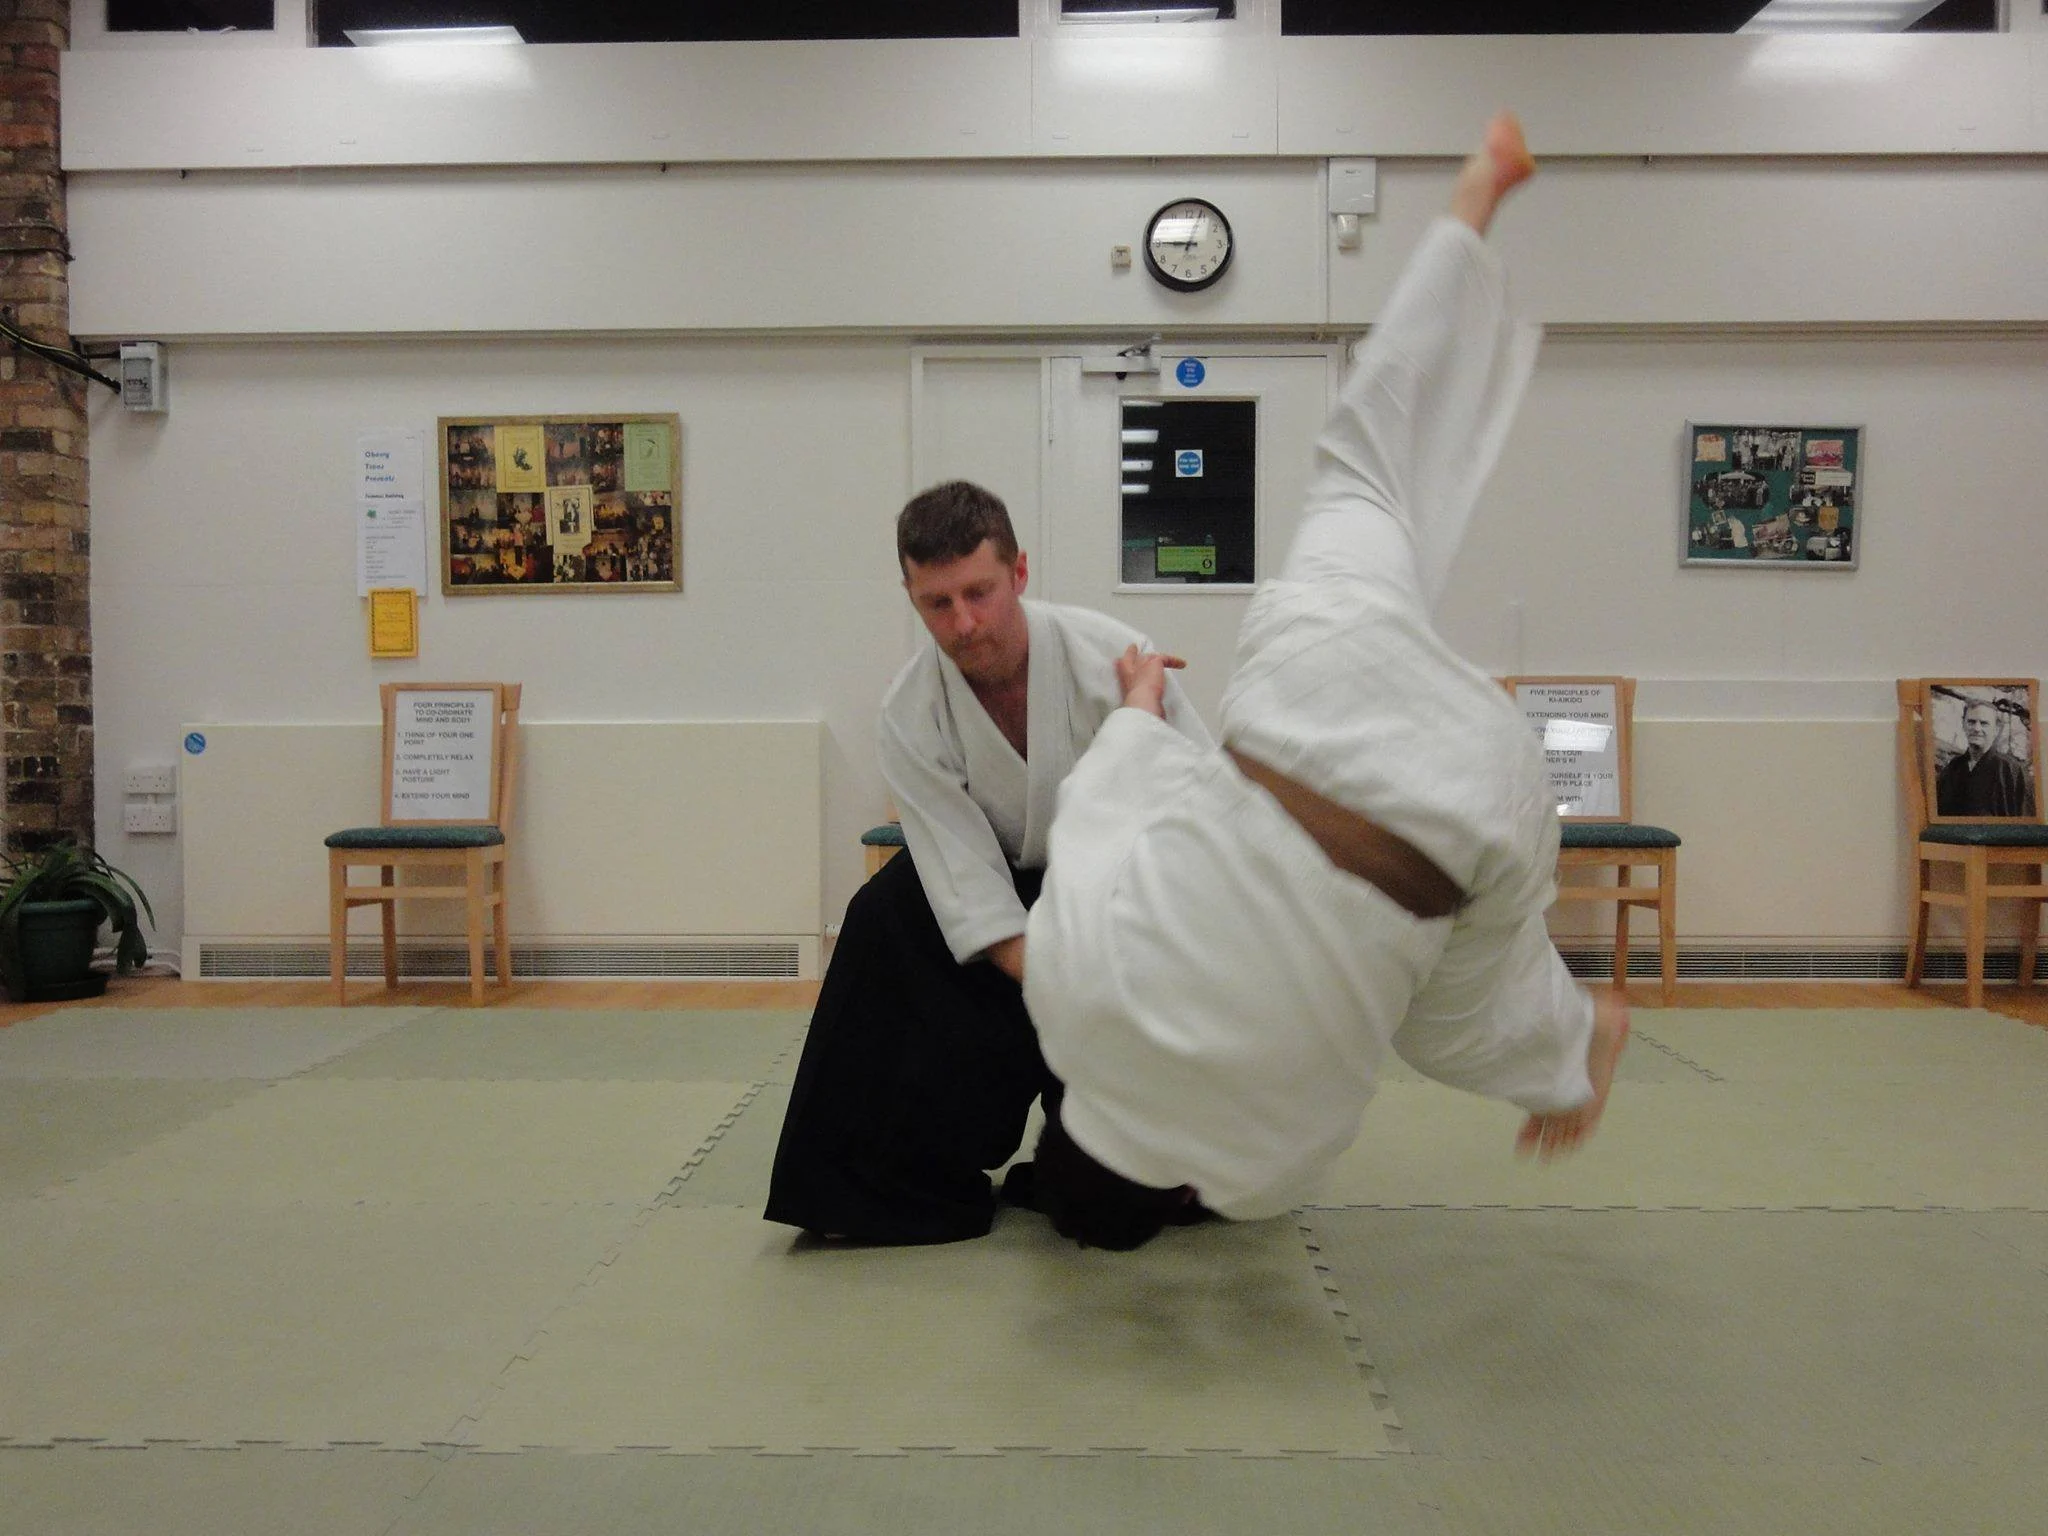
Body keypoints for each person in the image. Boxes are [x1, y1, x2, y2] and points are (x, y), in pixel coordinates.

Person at [1019, 112, 1631, 1252]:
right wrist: (1140, 704)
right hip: (1314, 698)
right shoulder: (1072, 1007)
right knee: (1366, 459)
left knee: (1444, 1023)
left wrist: (1550, 1067)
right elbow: (1101, 817)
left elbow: (1318, 1122)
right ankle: (1472, 199)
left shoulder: (1265, 1167)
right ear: (1066, 1129)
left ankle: (1568, 1038)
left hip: (1473, 812)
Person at [765, 481, 1211, 1244]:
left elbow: (1196, 827)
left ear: (1020, 573)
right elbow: (965, 884)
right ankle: (882, 1179)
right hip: (1012, 925)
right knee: (882, 915)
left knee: (1147, 1199)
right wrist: (1058, 977)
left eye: (980, 593)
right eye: (937, 603)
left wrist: (1114, 981)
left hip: (1122, 910)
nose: (964, 623)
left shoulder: (1112, 661)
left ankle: (1133, 1144)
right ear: (909, 595)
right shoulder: (912, 713)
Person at [1934, 698, 2035, 817]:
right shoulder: (1952, 768)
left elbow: (2026, 821)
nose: (1977, 729)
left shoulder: (2011, 770)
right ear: (1963, 724)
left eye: (1984, 723)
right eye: (1971, 722)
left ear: (1996, 728)